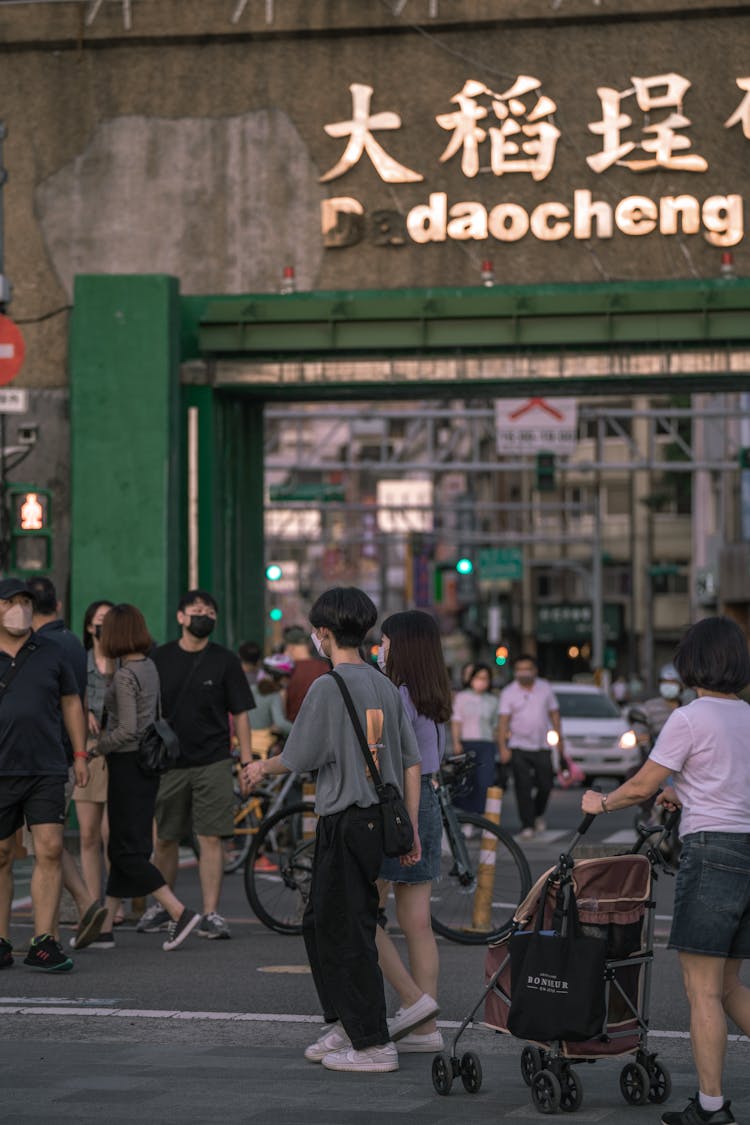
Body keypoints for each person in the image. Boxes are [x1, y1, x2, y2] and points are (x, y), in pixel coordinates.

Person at [581, 616, 750, 1125]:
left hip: (712, 852)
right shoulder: (748, 716)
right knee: (727, 987)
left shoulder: (689, 717)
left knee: (701, 991)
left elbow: (639, 786)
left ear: (693, 663)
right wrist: (686, 790)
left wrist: (600, 801)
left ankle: (711, 1106)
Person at [246, 587, 422, 1074]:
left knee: (345, 930)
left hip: (345, 819)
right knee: (322, 920)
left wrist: (262, 767)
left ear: (324, 634)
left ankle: (372, 1044)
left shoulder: (329, 686)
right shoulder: (385, 685)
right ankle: (347, 1023)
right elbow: (410, 760)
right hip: (375, 822)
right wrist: (410, 827)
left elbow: (299, 757)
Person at [138, 589, 254, 940]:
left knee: (210, 837)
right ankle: (163, 906)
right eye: (196, 609)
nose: (203, 614)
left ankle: (211, 913)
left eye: (209, 611)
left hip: (214, 760)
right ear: (180, 617)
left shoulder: (226, 660)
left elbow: (242, 714)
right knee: (166, 838)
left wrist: (246, 761)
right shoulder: (159, 658)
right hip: (169, 763)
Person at [87, 603, 201, 952]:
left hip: (127, 766)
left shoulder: (124, 675)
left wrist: (95, 747)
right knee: (127, 844)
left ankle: (177, 911)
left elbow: (128, 731)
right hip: (147, 767)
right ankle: (104, 928)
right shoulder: (147, 666)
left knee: (125, 849)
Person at [0, 577, 89, 972]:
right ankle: (1, 941)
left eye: (24, 602)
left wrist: (81, 754)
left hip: (47, 766)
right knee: (0, 854)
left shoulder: (52, 652)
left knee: (50, 848)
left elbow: (72, 703)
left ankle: (43, 941)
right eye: (10, 601)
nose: (19, 608)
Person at [375, 610, 452, 1054]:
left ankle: (413, 1004)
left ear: (399, 645)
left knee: (364, 913)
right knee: (418, 923)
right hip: (427, 803)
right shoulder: (433, 693)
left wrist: (408, 827)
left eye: (384, 642)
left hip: (401, 805)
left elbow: (404, 762)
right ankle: (427, 1028)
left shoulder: (397, 694)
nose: (380, 649)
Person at [27, 577, 107, 950]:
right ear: (58, 606)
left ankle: (74, 911)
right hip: (61, 755)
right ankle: (72, 913)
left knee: (44, 845)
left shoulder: (38, 646)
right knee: (48, 843)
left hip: (39, 759)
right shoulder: (74, 645)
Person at [74, 600, 115, 913]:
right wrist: (84, 712)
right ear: (89, 626)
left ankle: (115, 902)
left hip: (117, 751)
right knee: (88, 835)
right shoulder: (79, 662)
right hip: (87, 752)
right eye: (99, 619)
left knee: (111, 835)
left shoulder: (124, 663)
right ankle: (92, 904)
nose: (103, 624)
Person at [497, 654, 562, 840]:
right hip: (518, 746)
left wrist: (560, 740)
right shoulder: (509, 692)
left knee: (546, 784)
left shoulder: (545, 688)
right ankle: (527, 824)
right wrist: (503, 747)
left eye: (527, 668)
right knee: (522, 787)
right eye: (520, 669)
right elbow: (503, 722)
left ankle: (536, 813)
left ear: (535, 670)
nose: (523, 672)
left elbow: (555, 714)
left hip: (542, 745)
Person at [451, 662, 498, 817]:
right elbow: (456, 721)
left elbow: (496, 725)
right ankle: (468, 814)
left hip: (486, 744)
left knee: (484, 781)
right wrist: (456, 742)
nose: (481, 681)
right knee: (468, 781)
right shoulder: (462, 697)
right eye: (478, 677)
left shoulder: (492, 700)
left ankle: (480, 814)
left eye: (485, 678)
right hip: (467, 743)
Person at [248, 653, 294, 758]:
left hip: (243, 743)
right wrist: (299, 731)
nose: (289, 680)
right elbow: (280, 722)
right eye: (287, 676)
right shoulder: (274, 695)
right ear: (279, 677)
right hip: (263, 746)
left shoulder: (251, 689)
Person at [282, 624, 328, 721]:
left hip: (294, 726)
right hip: (320, 725)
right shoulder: (324, 667)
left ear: (290, 648)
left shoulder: (287, 671)